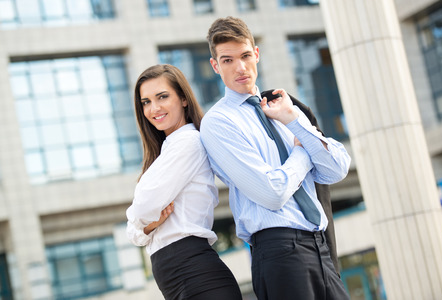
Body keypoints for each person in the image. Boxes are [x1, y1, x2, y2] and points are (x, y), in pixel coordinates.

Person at [200, 16, 351, 300]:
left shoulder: (283, 106)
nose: (240, 67)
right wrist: (302, 151)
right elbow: (271, 193)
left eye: (245, 56)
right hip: (280, 253)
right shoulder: (219, 122)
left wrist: (293, 121)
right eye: (228, 60)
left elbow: (337, 168)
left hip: (321, 248)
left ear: (256, 54)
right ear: (215, 65)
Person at [125, 64, 242, 300]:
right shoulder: (164, 153)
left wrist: (143, 219)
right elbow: (134, 232)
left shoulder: (188, 142)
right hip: (178, 277)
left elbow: (142, 208)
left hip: (195, 274)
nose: (153, 108)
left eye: (162, 97)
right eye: (146, 102)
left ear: (183, 99)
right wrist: (149, 225)